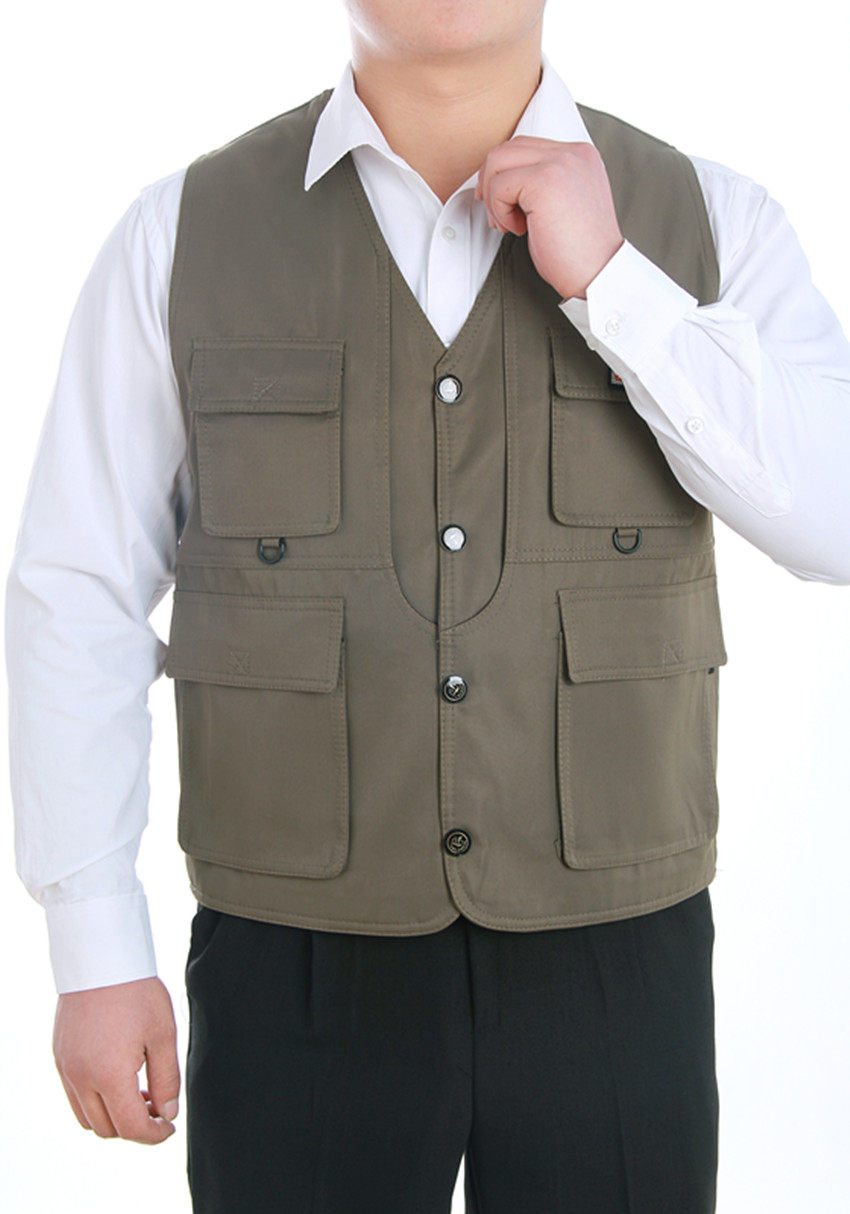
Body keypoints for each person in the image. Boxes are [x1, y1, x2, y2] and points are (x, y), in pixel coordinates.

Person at [6, 1, 850, 1210]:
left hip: (618, 951)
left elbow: (833, 516)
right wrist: (93, 944)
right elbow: (75, 589)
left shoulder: (713, 220)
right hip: (291, 952)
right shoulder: (179, 232)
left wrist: (616, 285)